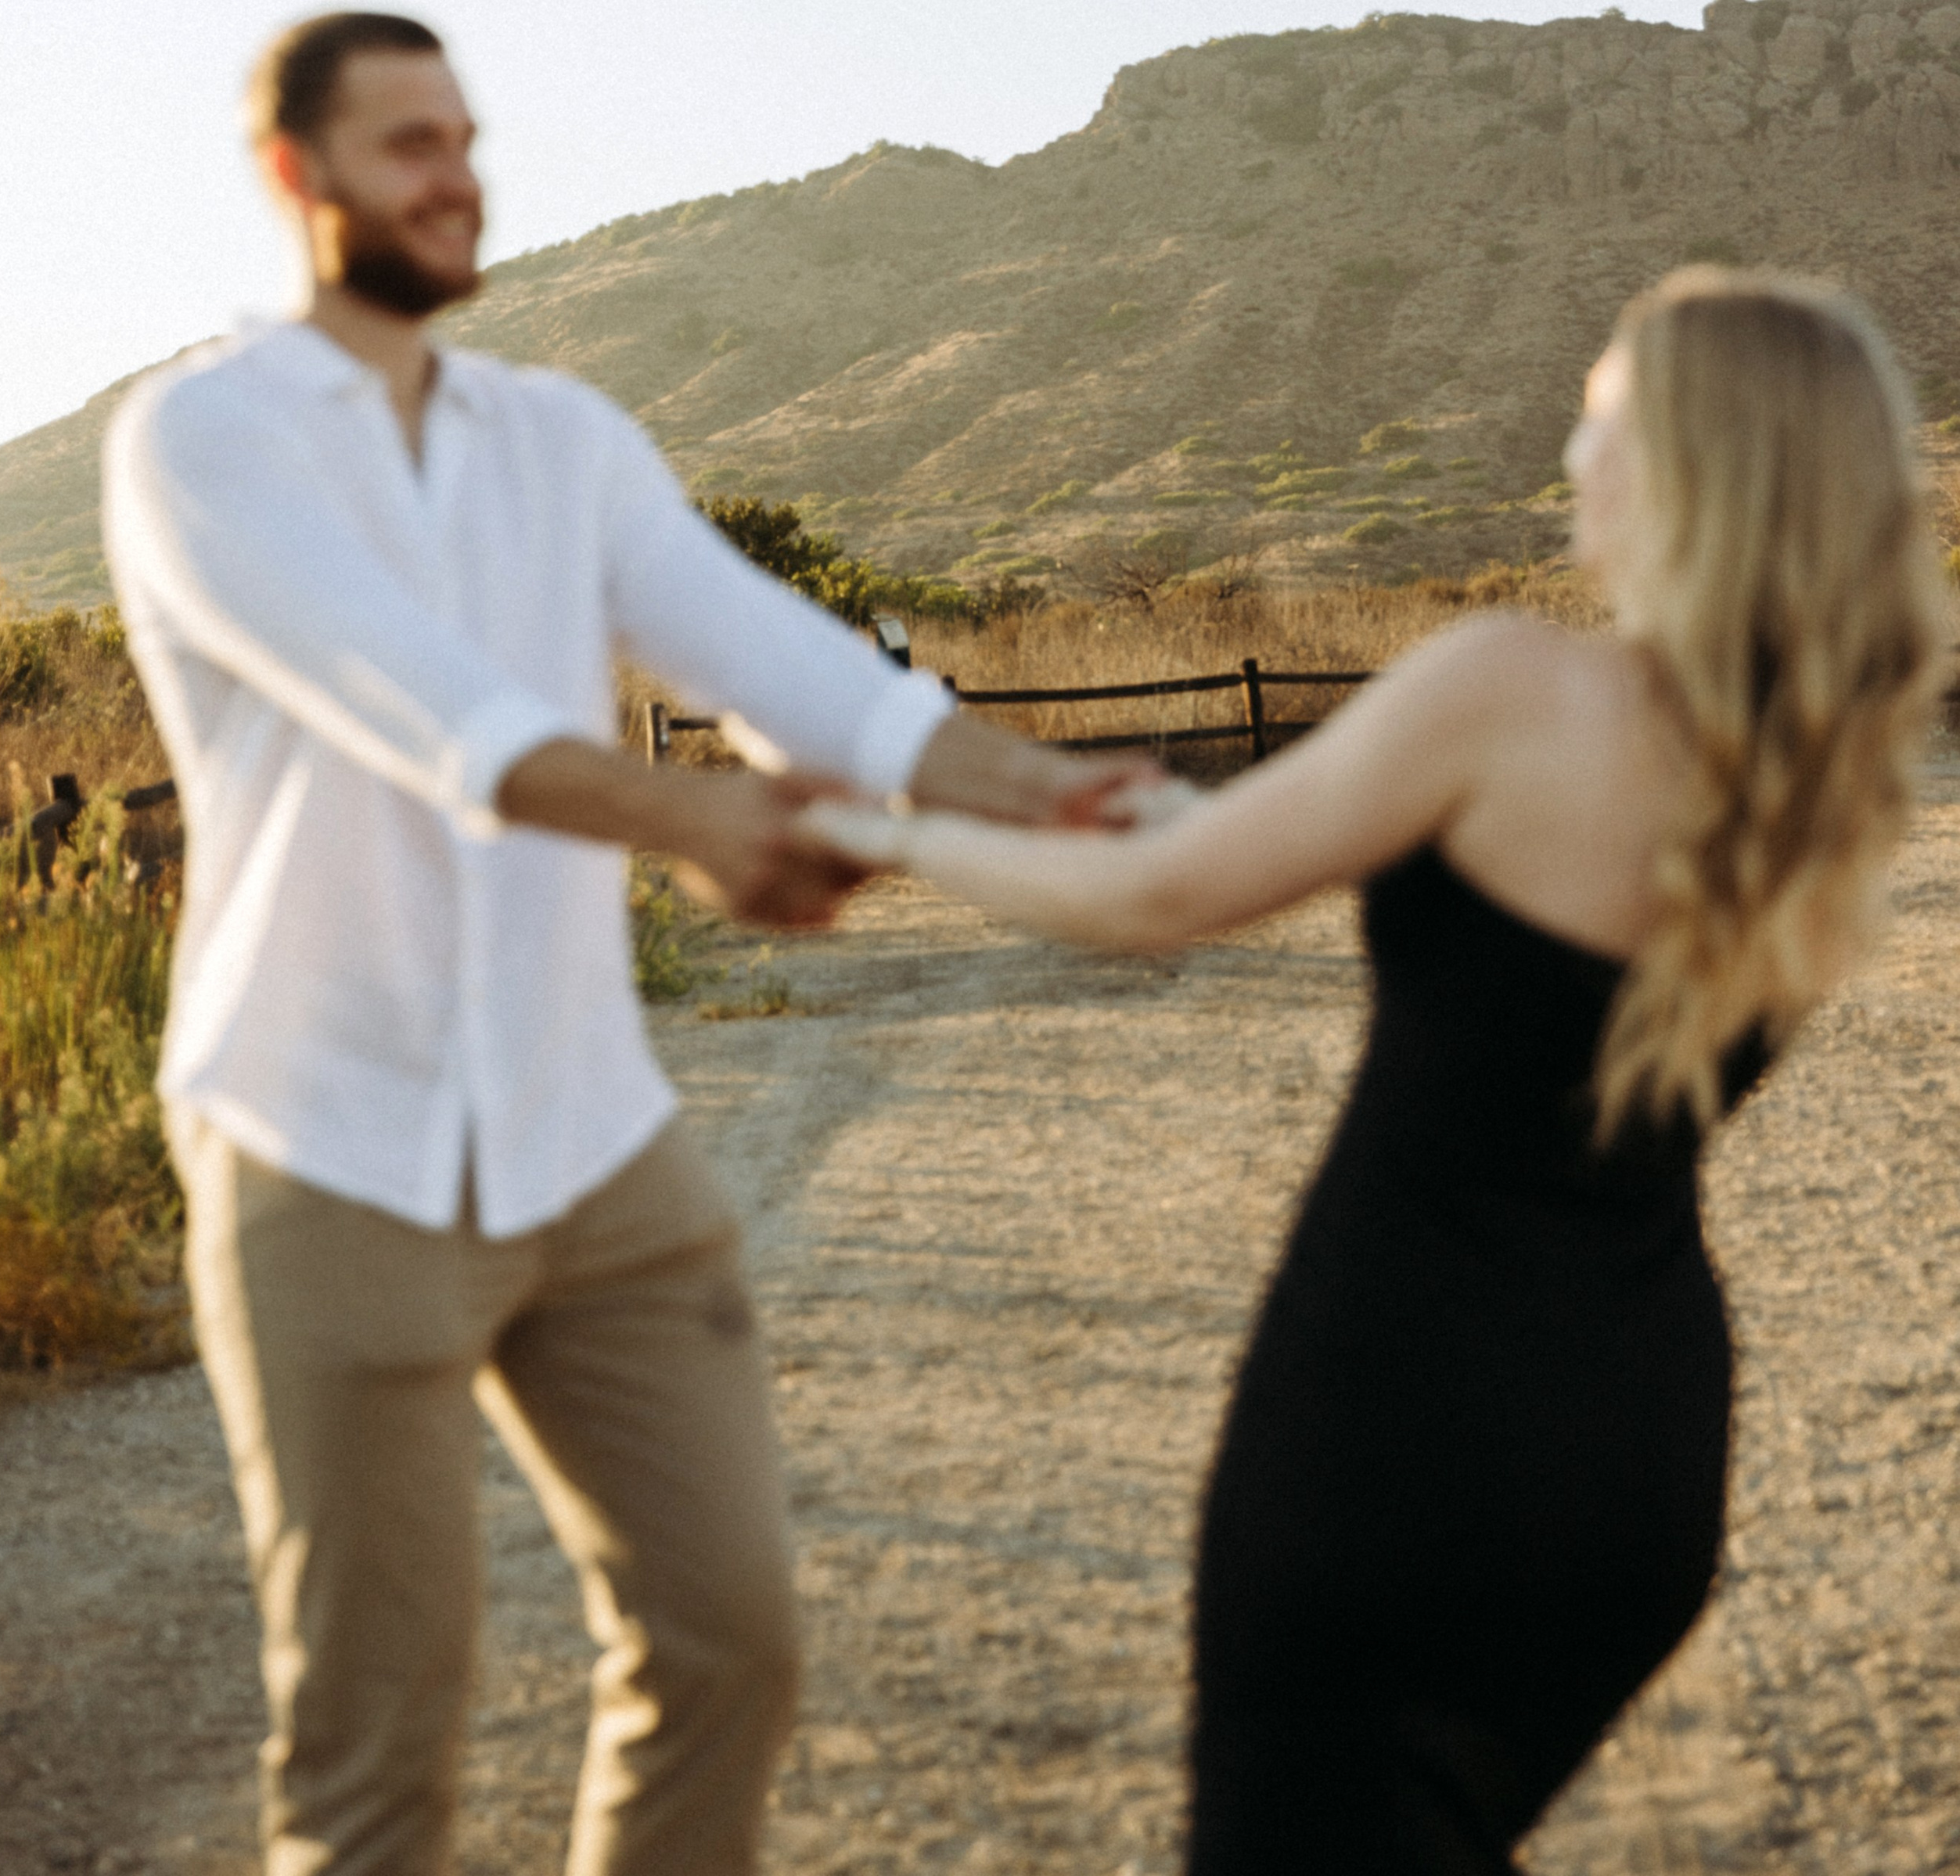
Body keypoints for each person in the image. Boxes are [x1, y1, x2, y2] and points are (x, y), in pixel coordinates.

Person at [102, 9, 1151, 1876]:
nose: (457, 173)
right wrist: (699, 823)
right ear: (297, 174)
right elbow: (425, 709)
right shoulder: (201, 439)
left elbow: (779, 661)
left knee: (730, 1643)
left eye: (466, 135)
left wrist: (1035, 785)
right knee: (374, 1754)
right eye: (409, 141)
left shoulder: (557, 436)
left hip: (594, 1135)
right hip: (329, 1144)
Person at [807, 268, 1949, 1874]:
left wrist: (872, 822)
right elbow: (1262, 856)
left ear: (1693, 457)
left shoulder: (1507, 684)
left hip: (1400, 1441)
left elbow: (1157, 908)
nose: (1567, 453)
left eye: (1600, 412)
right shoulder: (1815, 777)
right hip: (1631, 1462)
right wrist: (1087, 807)